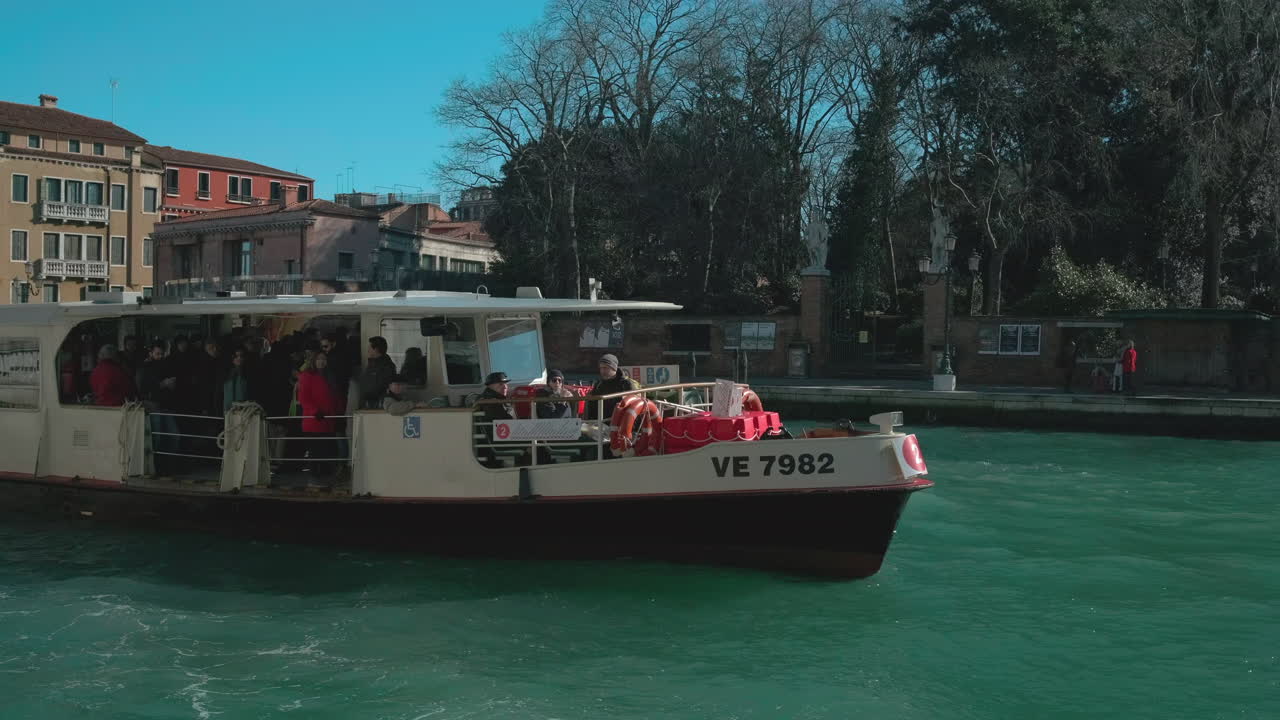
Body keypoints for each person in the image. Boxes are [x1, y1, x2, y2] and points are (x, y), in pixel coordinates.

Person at [296, 350, 343, 477]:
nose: (322, 362)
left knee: (328, 450)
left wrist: (338, 411)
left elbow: (335, 396)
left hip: (328, 419)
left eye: (324, 359)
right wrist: (314, 411)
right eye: (319, 359)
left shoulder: (330, 376)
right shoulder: (306, 376)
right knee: (316, 451)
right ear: (313, 361)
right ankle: (316, 476)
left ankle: (325, 475)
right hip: (314, 420)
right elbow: (303, 398)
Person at [474, 371, 516, 468]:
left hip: (502, 436)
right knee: (535, 443)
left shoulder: (498, 399)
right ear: (490, 386)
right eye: (500, 384)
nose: (505, 387)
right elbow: (504, 422)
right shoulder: (490, 402)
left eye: (506, 384)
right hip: (499, 441)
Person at [586, 354, 639, 420]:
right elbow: (592, 405)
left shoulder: (626, 384)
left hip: (621, 423)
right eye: (601, 368)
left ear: (614, 368)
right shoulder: (599, 384)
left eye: (605, 368)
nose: (602, 371)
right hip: (600, 424)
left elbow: (635, 405)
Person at [358, 336, 398, 409]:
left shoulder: (387, 366)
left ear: (375, 349)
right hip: (367, 405)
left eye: (369, 348)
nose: (368, 350)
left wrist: (367, 395)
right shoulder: (371, 364)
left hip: (378, 407)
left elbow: (381, 387)